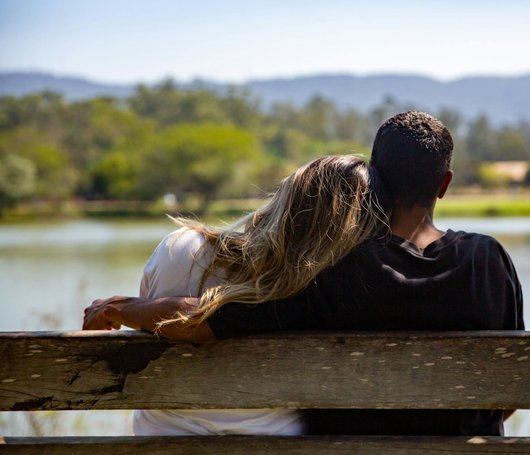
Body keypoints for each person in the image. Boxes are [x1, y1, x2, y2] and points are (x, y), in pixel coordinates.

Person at [86, 111, 524, 435]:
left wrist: (121, 308)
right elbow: (509, 396)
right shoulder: (488, 259)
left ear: (374, 178)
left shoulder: (341, 270)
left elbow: (198, 319)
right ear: (444, 184)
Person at [83, 154, 385, 435]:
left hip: (161, 440)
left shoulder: (180, 249)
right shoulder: (333, 289)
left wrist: (120, 308)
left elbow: (171, 327)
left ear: (288, 199)